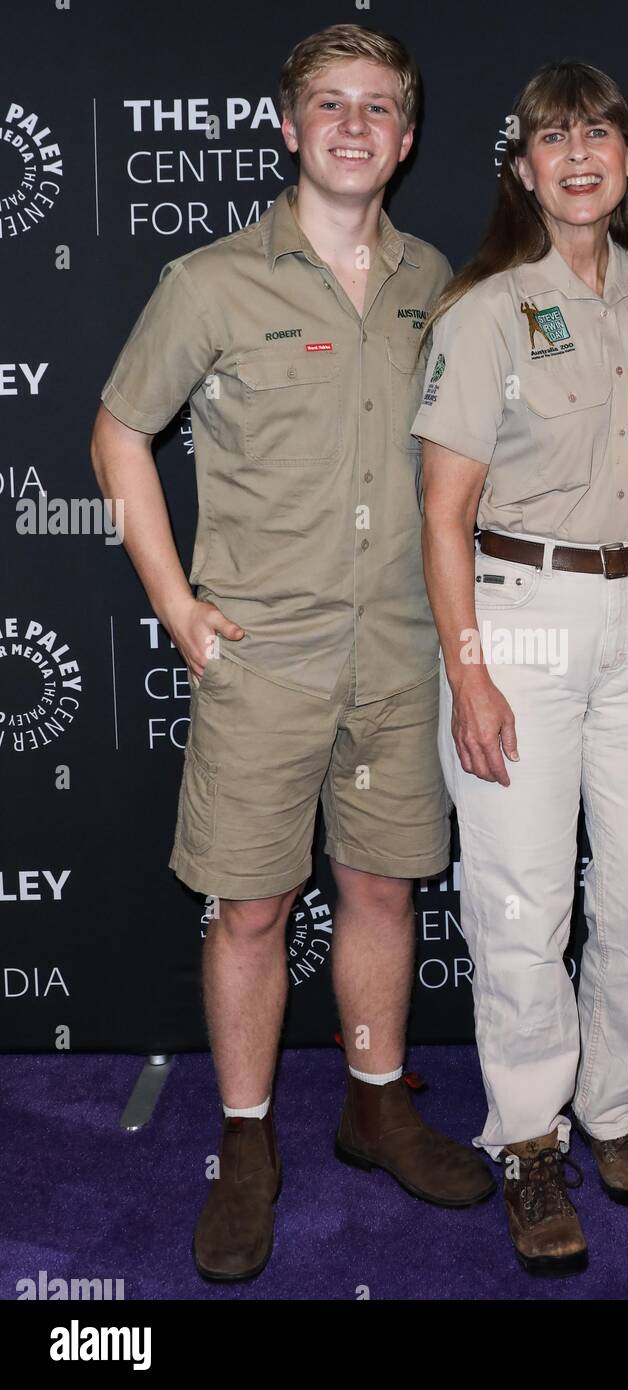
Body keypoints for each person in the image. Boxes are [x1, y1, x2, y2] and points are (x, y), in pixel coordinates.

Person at [90, 23, 493, 1284]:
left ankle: (375, 1102)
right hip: (261, 657)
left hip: (401, 648)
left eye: (380, 107)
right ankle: (248, 1142)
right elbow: (117, 436)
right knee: (252, 905)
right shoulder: (210, 281)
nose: (355, 125)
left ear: (409, 137)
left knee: (381, 888)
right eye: (330, 104)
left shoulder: (439, 278)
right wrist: (176, 604)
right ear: (288, 126)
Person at [414, 61, 628, 1275]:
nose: (578, 154)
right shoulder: (484, 310)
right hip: (518, 611)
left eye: (600, 134)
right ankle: (528, 1138)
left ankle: (614, 1104)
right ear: (522, 167)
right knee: (524, 904)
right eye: (552, 138)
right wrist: (470, 674)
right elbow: (442, 517)